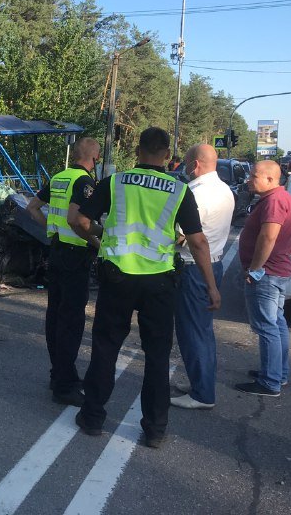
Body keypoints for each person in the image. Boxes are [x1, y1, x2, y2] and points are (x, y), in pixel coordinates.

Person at [71, 127, 221, 448]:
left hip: (117, 278)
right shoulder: (179, 190)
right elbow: (197, 241)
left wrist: (101, 238)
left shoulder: (115, 182)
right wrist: (211, 286)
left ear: (138, 152)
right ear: (167, 156)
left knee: (106, 348)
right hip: (160, 283)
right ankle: (155, 429)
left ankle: (93, 417)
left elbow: (80, 222)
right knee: (156, 356)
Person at [26, 137, 101, 406]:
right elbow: (78, 220)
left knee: (55, 316)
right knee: (71, 321)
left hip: (56, 251)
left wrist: (51, 229)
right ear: (93, 158)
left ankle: (59, 373)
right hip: (74, 256)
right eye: (98, 158)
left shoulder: (59, 177)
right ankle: (65, 386)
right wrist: (98, 244)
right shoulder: (84, 182)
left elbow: (32, 208)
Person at [171, 144, 234, 409]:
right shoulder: (224, 190)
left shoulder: (194, 193)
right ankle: (201, 382)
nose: (184, 168)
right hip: (213, 264)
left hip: (195, 268)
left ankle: (202, 394)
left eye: (186, 163)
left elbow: (187, 238)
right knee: (203, 331)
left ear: (195, 164)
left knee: (192, 332)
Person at [236, 159, 291, 396]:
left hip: (268, 274)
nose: (248, 179)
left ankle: (270, 381)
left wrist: (254, 269)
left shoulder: (273, 202)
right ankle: (278, 373)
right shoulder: (285, 199)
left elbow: (268, 237)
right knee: (277, 324)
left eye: (253, 176)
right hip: (278, 271)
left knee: (266, 327)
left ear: (271, 179)